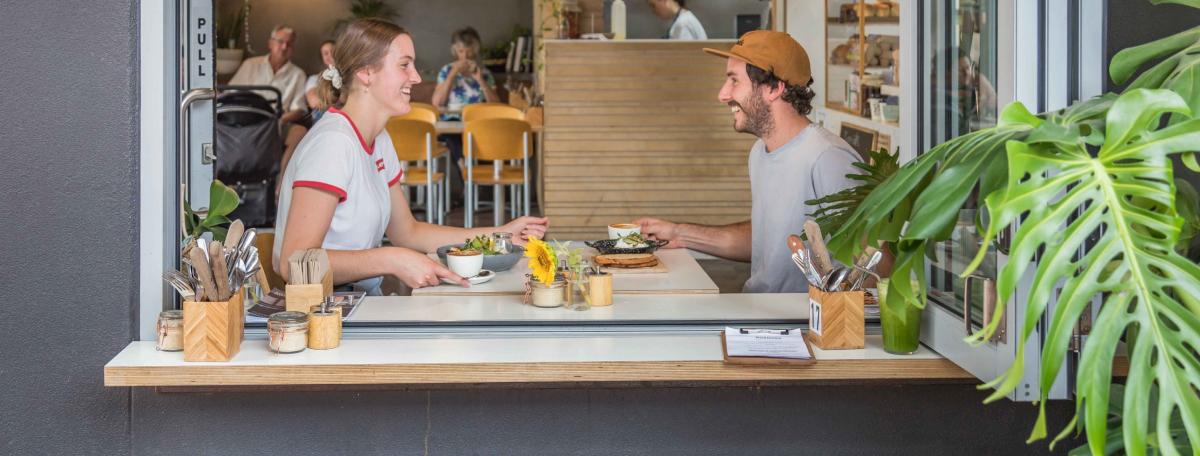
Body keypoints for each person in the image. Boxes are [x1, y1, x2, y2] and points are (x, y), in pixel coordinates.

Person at [273, 19, 549, 294]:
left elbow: (408, 232)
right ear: (366, 72)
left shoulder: (379, 139)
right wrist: (391, 259)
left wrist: (500, 235)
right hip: (323, 310)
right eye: (404, 65)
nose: (416, 77)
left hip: (360, 300)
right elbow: (292, 264)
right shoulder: (332, 143)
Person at [635, 31, 860, 293]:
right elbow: (767, 241)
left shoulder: (828, 158)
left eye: (734, 81)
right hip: (760, 309)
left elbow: (876, 264)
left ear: (774, 88)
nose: (723, 94)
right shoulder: (760, 152)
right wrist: (679, 233)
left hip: (803, 316)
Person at [431, 27, 502, 201]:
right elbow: (437, 103)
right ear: (455, 51)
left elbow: (496, 105)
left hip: (477, 125)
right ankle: (465, 171)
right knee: (451, 134)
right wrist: (452, 75)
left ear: (475, 52)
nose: (465, 56)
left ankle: (467, 177)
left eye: (469, 52)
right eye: (461, 51)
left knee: (466, 134)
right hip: (452, 123)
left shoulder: (484, 73)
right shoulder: (446, 71)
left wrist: (480, 80)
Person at [229, 25, 308, 126]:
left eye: (289, 44)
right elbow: (231, 93)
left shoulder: (298, 74)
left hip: (276, 122)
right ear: (270, 43)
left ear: (293, 48)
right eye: (280, 41)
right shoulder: (250, 64)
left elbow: (298, 109)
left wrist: (277, 121)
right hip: (245, 118)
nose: (284, 47)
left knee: (299, 130)